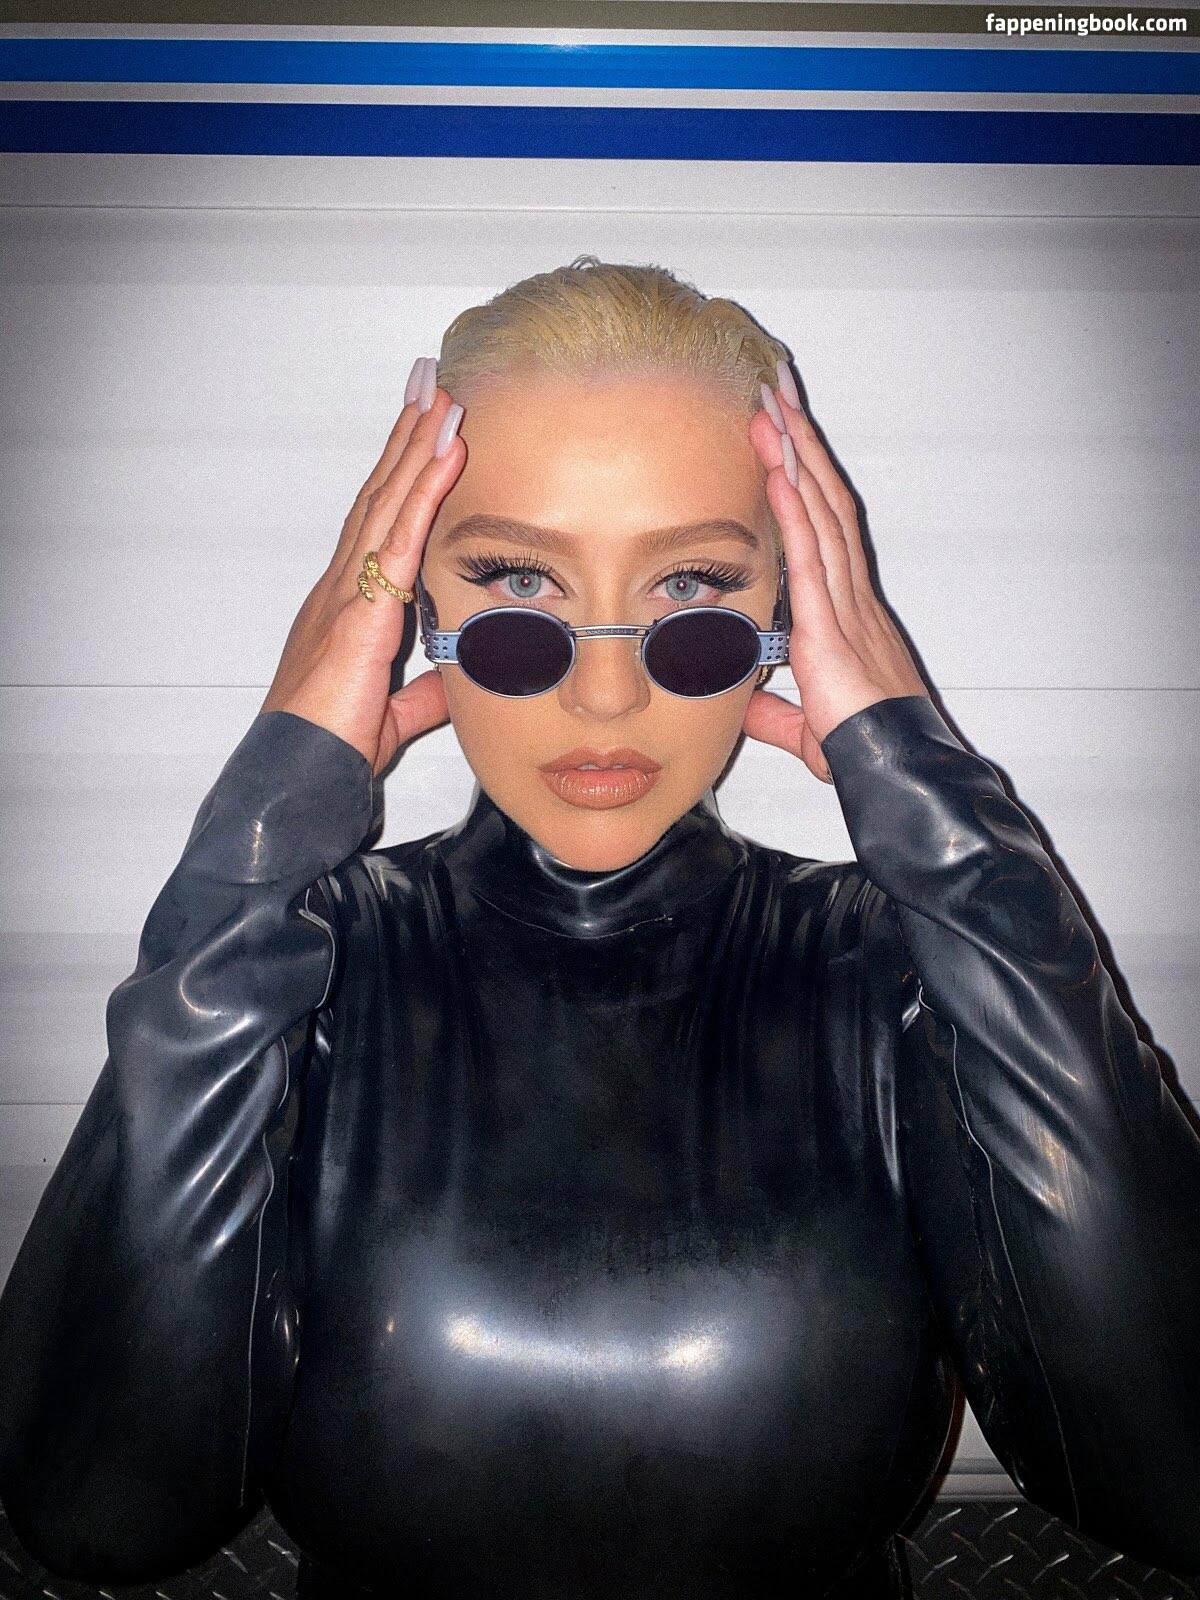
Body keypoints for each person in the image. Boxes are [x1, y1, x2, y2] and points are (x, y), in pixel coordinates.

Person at [0, 256, 1198, 1600]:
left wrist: (933, 802)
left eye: (692, 593)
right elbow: (96, 1508)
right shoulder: (303, 963)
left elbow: (1169, 1471)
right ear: (411, 609)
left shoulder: (891, 965)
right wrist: (263, 827)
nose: (609, 697)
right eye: (519, 587)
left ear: (791, 613)